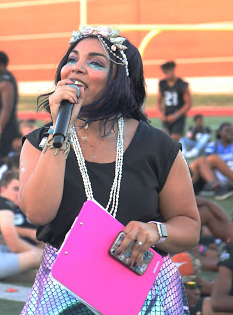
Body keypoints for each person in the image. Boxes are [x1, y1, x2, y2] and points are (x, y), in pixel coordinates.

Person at [19, 26, 200, 314]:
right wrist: (58, 134)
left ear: (121, 81)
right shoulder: (39, 143)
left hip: (144, 294)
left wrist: (155, 231)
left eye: (95, 62)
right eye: (72, 59)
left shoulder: (158, 147)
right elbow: (38, 213)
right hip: (65, 294)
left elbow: (189, 227)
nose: (76, 68)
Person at [0, 51, 20, 167]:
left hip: (5, 129)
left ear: (1, 65)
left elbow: (7, 107)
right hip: (4, 127)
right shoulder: (4, 79)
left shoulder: (5, 82)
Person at [157, 61, 192, 142]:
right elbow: (159, 101)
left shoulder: (182, 84)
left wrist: (176, 115)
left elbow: (188, 103)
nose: (166, 75)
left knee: (175, 139)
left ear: (172, 70)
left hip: (178, 116)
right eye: (164, 73)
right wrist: (161, 113)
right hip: (167, 115)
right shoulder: (162, 83)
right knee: (166, 139)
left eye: (167, 72)